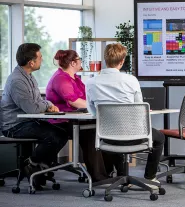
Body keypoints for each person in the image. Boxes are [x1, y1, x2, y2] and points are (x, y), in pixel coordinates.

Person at [85, 43, 165, 188]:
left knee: (117, 133)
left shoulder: (91, 82)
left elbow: (92, 112)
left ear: (105, 60)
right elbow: (139, 108)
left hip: (106, 136)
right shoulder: (131, 80)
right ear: (122, 61)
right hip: (133, 135)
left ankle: (122, 177)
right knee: (159, 138)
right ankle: (150, 177)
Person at [1, 43, 68, 187]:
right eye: (40, 57)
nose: (42, 60)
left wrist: (47, 104)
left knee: (62, 134)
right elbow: (32, 108)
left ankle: (37, 166)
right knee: (51, 136)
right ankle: (32, 165)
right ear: (31, 62)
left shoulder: (29, 77)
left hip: (28, 122)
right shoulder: (17, 81)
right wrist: (48, 105)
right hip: (14, 126)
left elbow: (39, 101)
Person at [46, 49, 116, 182]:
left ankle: (108, 171)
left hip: (76, 119)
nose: (81, 62)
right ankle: (98, 177)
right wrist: (98, 107)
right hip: (62, 122)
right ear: (73, 63)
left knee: (104, 128)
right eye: (79, 60)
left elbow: (87, 96)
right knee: (92, 132)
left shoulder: (75, 78)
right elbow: (74, 101)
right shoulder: (61, 78)